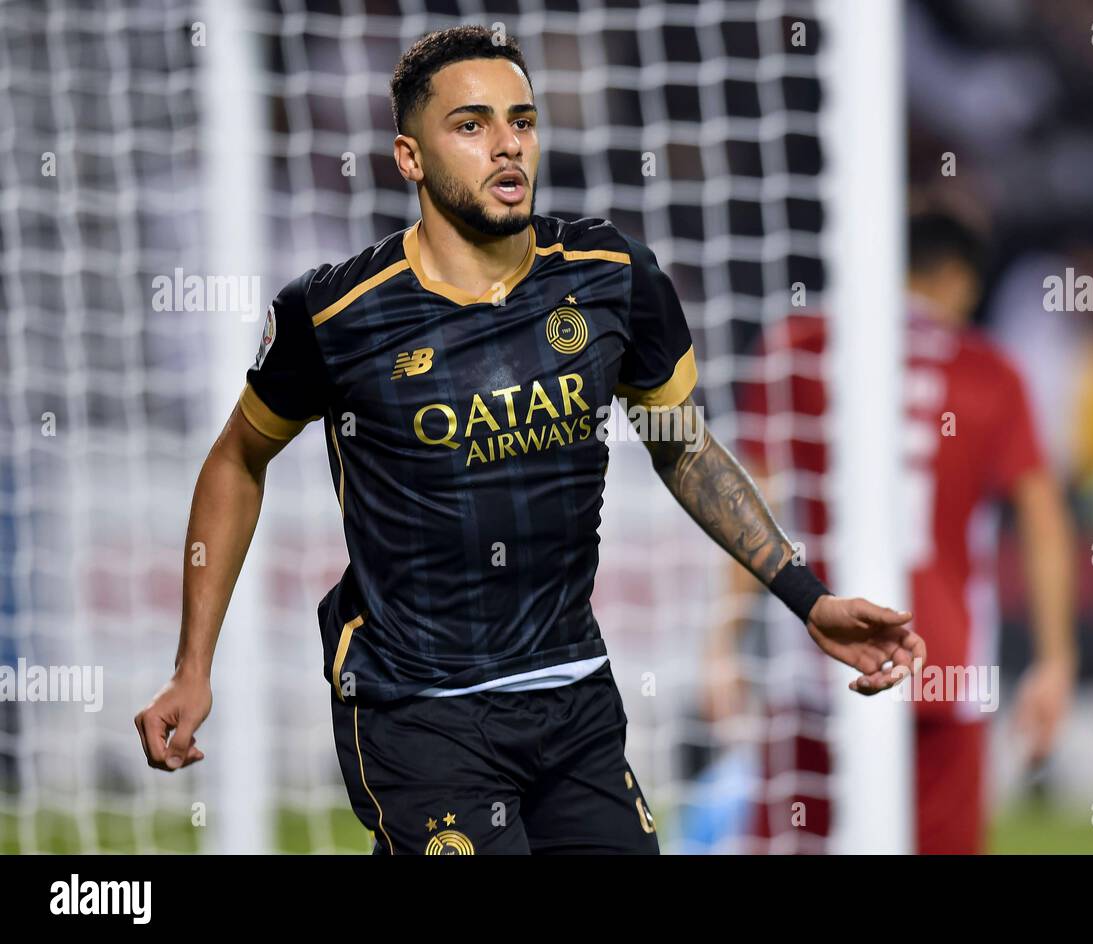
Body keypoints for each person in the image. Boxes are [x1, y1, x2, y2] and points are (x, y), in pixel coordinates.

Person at [133, 25, 923, 855]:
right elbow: (237, 457)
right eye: (470, 125)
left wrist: (808, 598)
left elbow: (681, 446)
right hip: (418, 711)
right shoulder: (337, 314)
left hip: (573, 698)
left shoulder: (611, 276)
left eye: (522, 119)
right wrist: (193, 666)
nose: (507, 143)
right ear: (409, 157)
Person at [708, 212, 1075, 854]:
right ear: (958, 281)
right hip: (944, 673)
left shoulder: (798, 346)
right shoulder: (990, 371)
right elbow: (1044, 523)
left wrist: (723, 643)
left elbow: (751, 501)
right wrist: (1055, 661)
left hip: (819, 669)